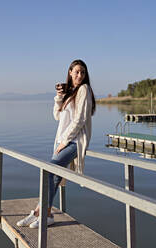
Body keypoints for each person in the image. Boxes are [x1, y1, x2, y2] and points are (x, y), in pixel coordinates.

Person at [16, 59, 96, 228]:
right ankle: (44, 213)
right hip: (62, 141)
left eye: (83, 72)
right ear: (70, 72)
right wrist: (59, 97)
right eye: (77, 72)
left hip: (74, 141)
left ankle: (42, 213)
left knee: (49, 171)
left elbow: (80, 120)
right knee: (53, 177)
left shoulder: (84, 89)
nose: (80, 75)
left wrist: (65, 141)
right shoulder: (71, 92)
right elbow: (58, 116)